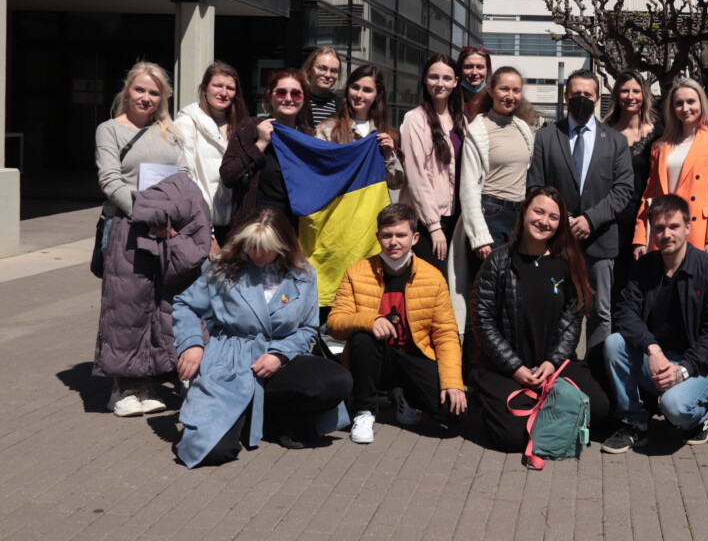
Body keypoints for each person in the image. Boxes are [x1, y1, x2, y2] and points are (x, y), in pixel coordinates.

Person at [172, 208, 351, 467]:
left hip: (280, 358)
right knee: (213, 453)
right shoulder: (224, 268)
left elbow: (308, 328)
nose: (256, 254)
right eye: (251, 246)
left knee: (337, 381)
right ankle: (234, 416)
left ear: (282, 246)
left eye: (264, 247)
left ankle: (273, 420)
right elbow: (185, 305)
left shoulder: (304, 274)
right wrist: (191, 344)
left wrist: (280, 355)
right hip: (230, 358)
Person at [469, 186, 611, 453]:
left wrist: (552, 361)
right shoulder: (499, 261)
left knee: (601, 409)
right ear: (524, 212)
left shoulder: (566, 261)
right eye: (538, 211)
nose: (544, 221)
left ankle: (546, 403)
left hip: (552, 364)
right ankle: (488, 399)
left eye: (553, 217)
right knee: (511, 437)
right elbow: (482, 320)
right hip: (505, 367)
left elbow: (572, 316)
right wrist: (515, 368)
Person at [94, 62, 190, 416]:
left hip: (167, 229)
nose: (146, 98)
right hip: (128, 228)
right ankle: (121, 389)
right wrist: (148, 215)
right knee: (125, 308)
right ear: (127, 90)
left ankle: (147, 383)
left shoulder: (169, 131)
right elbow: (110, 180)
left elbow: (183, 174)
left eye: (154, 92)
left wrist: (177, 214)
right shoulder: (110, 130)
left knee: (157, 307)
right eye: (140, 90)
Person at [327, 204, 466, 444]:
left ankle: (405, 395)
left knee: (454, 415)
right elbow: (335, 324)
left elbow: (445, 334)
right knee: (362, 338)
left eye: (401, 235)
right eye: (387, 235)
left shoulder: (433, 277)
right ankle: (365, 411)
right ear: (377, 237)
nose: (393, 242)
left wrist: (453, 382)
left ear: (414, 238)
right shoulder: (357, 272)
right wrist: (370, 319)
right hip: (376, 359)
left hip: (414, 356)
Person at [602, 195, 708, 452]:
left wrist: (682, 370)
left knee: (675, 408)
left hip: (700, 366)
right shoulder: (645, 267)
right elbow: (626, 313)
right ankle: (634, 423)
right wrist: (653, 349)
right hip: (658, 358)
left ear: (688, 227)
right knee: (614, 343)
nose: (666, 234)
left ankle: (700, 417)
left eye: (673, 227)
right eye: (659, 228)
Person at [528, 69, 634, 353]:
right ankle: (561, 370)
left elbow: (623, 190)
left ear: (598, 98)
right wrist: (562, 220)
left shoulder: (615, 141)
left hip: (601, 241)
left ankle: (596, 374)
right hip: (558, 241)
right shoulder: (547, 136)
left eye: (588, 94)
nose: (582, 99)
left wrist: (590, 218)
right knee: (560, 309)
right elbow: (537, 188)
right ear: (566, 96)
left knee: (600, 312)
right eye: (576, 94)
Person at [451, 66, 536, 331]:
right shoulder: (478, 130)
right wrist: (479, 236)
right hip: (491, 216)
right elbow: (469, 188)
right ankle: (478, 363)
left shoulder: (523, 128)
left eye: (516, 90)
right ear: (491, 91)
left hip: (519, 218)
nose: (510, 95)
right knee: (489, 297)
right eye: (504, 89)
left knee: (514, 294)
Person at [633, 78, 708, 260]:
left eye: (691, 102)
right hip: (665, 232)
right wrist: (640, 237)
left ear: (701, 103)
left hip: (699, 232)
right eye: (679, 103)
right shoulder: (659, 146)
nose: (685, 108)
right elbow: (649, 196)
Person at [220, 68, 313, 232]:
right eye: (281, 92)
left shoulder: (309, 137)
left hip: (293, 233)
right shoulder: (249, 128)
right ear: (270, 96)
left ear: (304, 99)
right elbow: (229, 175)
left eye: (296, 94)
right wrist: (260, 144)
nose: (288, 99)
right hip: (253, 230)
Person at [401, 54, 466, 277]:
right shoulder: (414, 119)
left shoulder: (461, 120)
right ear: (425, 80)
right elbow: (417, 175)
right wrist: (433, 225)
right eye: (434, 77)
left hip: (457, 219)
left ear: (456, 81)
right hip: (428, 222)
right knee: (433, 285)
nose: (440, 83)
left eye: (447, 78)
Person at [176, 61, 249, 255]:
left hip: (234, 228)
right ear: (204, 88)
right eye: (217, 85)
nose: (223, 93)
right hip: (202, 226)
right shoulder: (186, 124)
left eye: (230, 88)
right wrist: (206, 233)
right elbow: (187, 180)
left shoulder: (241, 126)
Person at [603, 71, 661, 299]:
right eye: (625, 90)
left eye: (636, 91)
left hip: (645, 220)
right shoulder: (604, 132)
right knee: (613, 288)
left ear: (644, 95)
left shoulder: (658, 133)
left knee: (642, 287)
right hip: (611, 221)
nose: (631, 96)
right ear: (617, 95)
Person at [314, 63, 406, 204]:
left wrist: (388, 156)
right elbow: (318, 175)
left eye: (367, 90)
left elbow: (396, 184)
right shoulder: (327, 129)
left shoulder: (388, 133)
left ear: (378, 95)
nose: (358, 95)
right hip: (341, 212)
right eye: (355, 87)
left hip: (376, 216)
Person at [300, 46, 342, 128]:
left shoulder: (342, 106)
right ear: (309, 69)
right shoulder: (297, 101)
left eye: (333, 71)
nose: (328, 75)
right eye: (322, 68)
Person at [457, 45, 492, 121]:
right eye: (468, 67)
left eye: (480, 67)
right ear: (460, 69)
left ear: (487, 69)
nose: (474, 72)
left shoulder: (494, 100)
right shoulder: (450, 99)